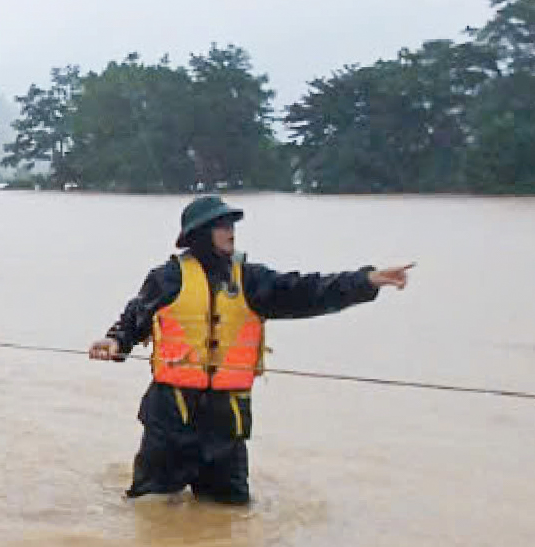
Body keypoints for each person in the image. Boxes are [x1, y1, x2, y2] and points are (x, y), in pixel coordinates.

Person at [88, 195, 413, 504]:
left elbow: (307, 291)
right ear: (200, 234)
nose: (231, 232)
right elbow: (135, 317)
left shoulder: (252, 279)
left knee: (230, 514)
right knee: (150, 509)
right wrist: (115, 341)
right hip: (170, 419)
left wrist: (365, 281)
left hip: (226, 424)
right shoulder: (166, 278)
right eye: (222, 226)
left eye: (232, 225)